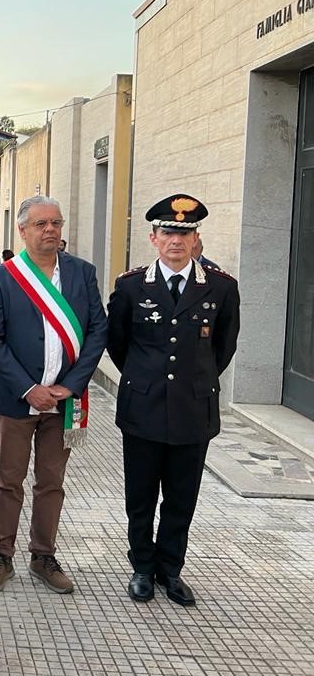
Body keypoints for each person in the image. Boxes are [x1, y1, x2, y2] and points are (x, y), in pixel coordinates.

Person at [107, 194, 240, 606]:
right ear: (153, 237)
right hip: (143, 407)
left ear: (196, 237)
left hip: (192, 409)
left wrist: (191, 381)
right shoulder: (131, 286)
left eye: (184, 232)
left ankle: (171, 570)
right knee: (141, 495)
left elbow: (223, 347)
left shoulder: (220, 287)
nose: (176, 240)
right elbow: (118, 345)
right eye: (168, 232)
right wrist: (147, 380)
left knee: (182, 497)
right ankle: (143, 568)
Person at [0, 195, 107, 595]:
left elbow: (98, 331)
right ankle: (2, 555)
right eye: (41, 224)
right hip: (18, 400)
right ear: (22, 230)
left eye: (56, 223)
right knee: (9, 480)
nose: (50, 230)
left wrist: (70, 386)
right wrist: (29, 389)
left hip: (64, 401)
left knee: (51, 481)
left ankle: (43, 556)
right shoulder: (3, 276)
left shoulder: (82, 273)